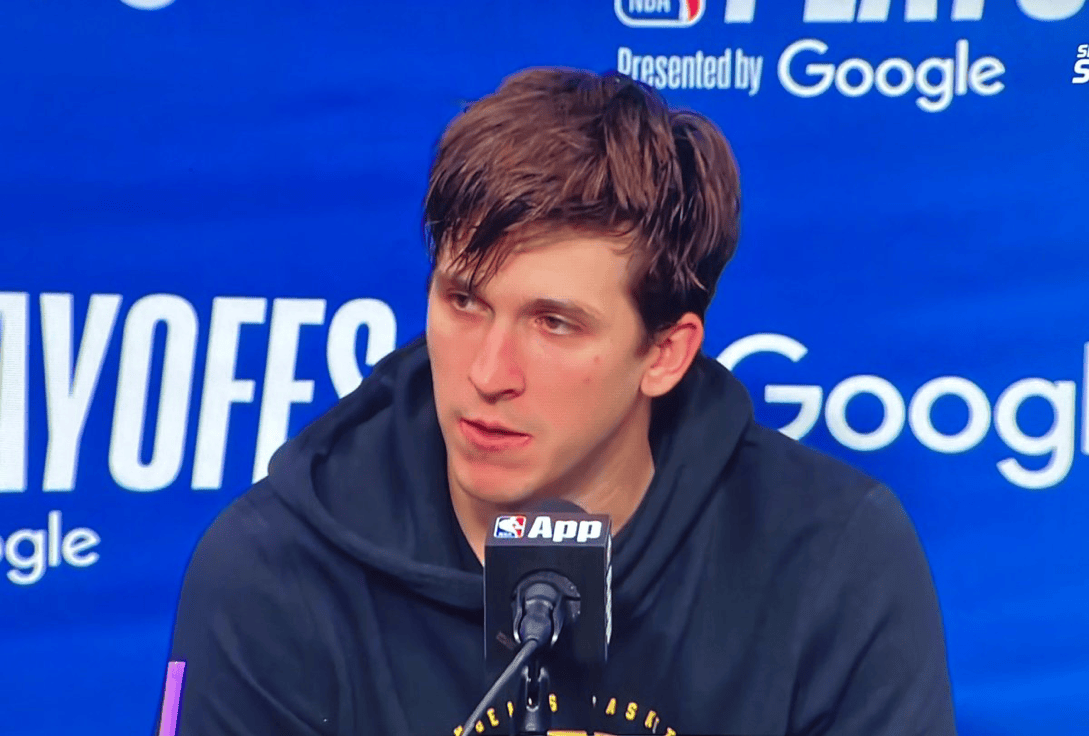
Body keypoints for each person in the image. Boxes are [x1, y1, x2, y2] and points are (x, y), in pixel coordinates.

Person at [167, 67, 957, 735]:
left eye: (553, 323)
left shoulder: (830, 560)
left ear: (664, 354)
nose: (488, 372)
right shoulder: (273, 573)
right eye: (464, 301)